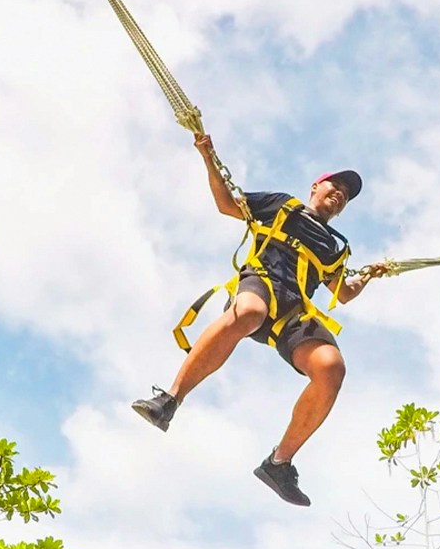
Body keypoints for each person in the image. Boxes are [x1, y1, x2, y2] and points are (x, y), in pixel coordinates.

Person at [132, 131, 381, 506]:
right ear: (316, 185)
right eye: (336, 185)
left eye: (346, 194)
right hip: (261, 284)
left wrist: (366, 277)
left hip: (294, 310)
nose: (340, 193)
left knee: (331, 368)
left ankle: (279, 463)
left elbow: (341, 292)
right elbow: (227, 205)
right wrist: (208, 157)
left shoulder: (335, 246)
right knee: (249, 312)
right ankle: (169, 400)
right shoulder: (283, 206)